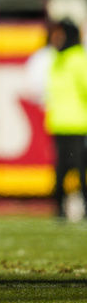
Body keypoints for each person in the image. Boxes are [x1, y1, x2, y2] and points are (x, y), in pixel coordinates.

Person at [44, 18, 87, 219]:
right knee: (62, 171)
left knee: (79, 170)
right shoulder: (59, 59)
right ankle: (59, 209)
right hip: (63, 123)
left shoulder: (76, 58)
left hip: (78, 124)